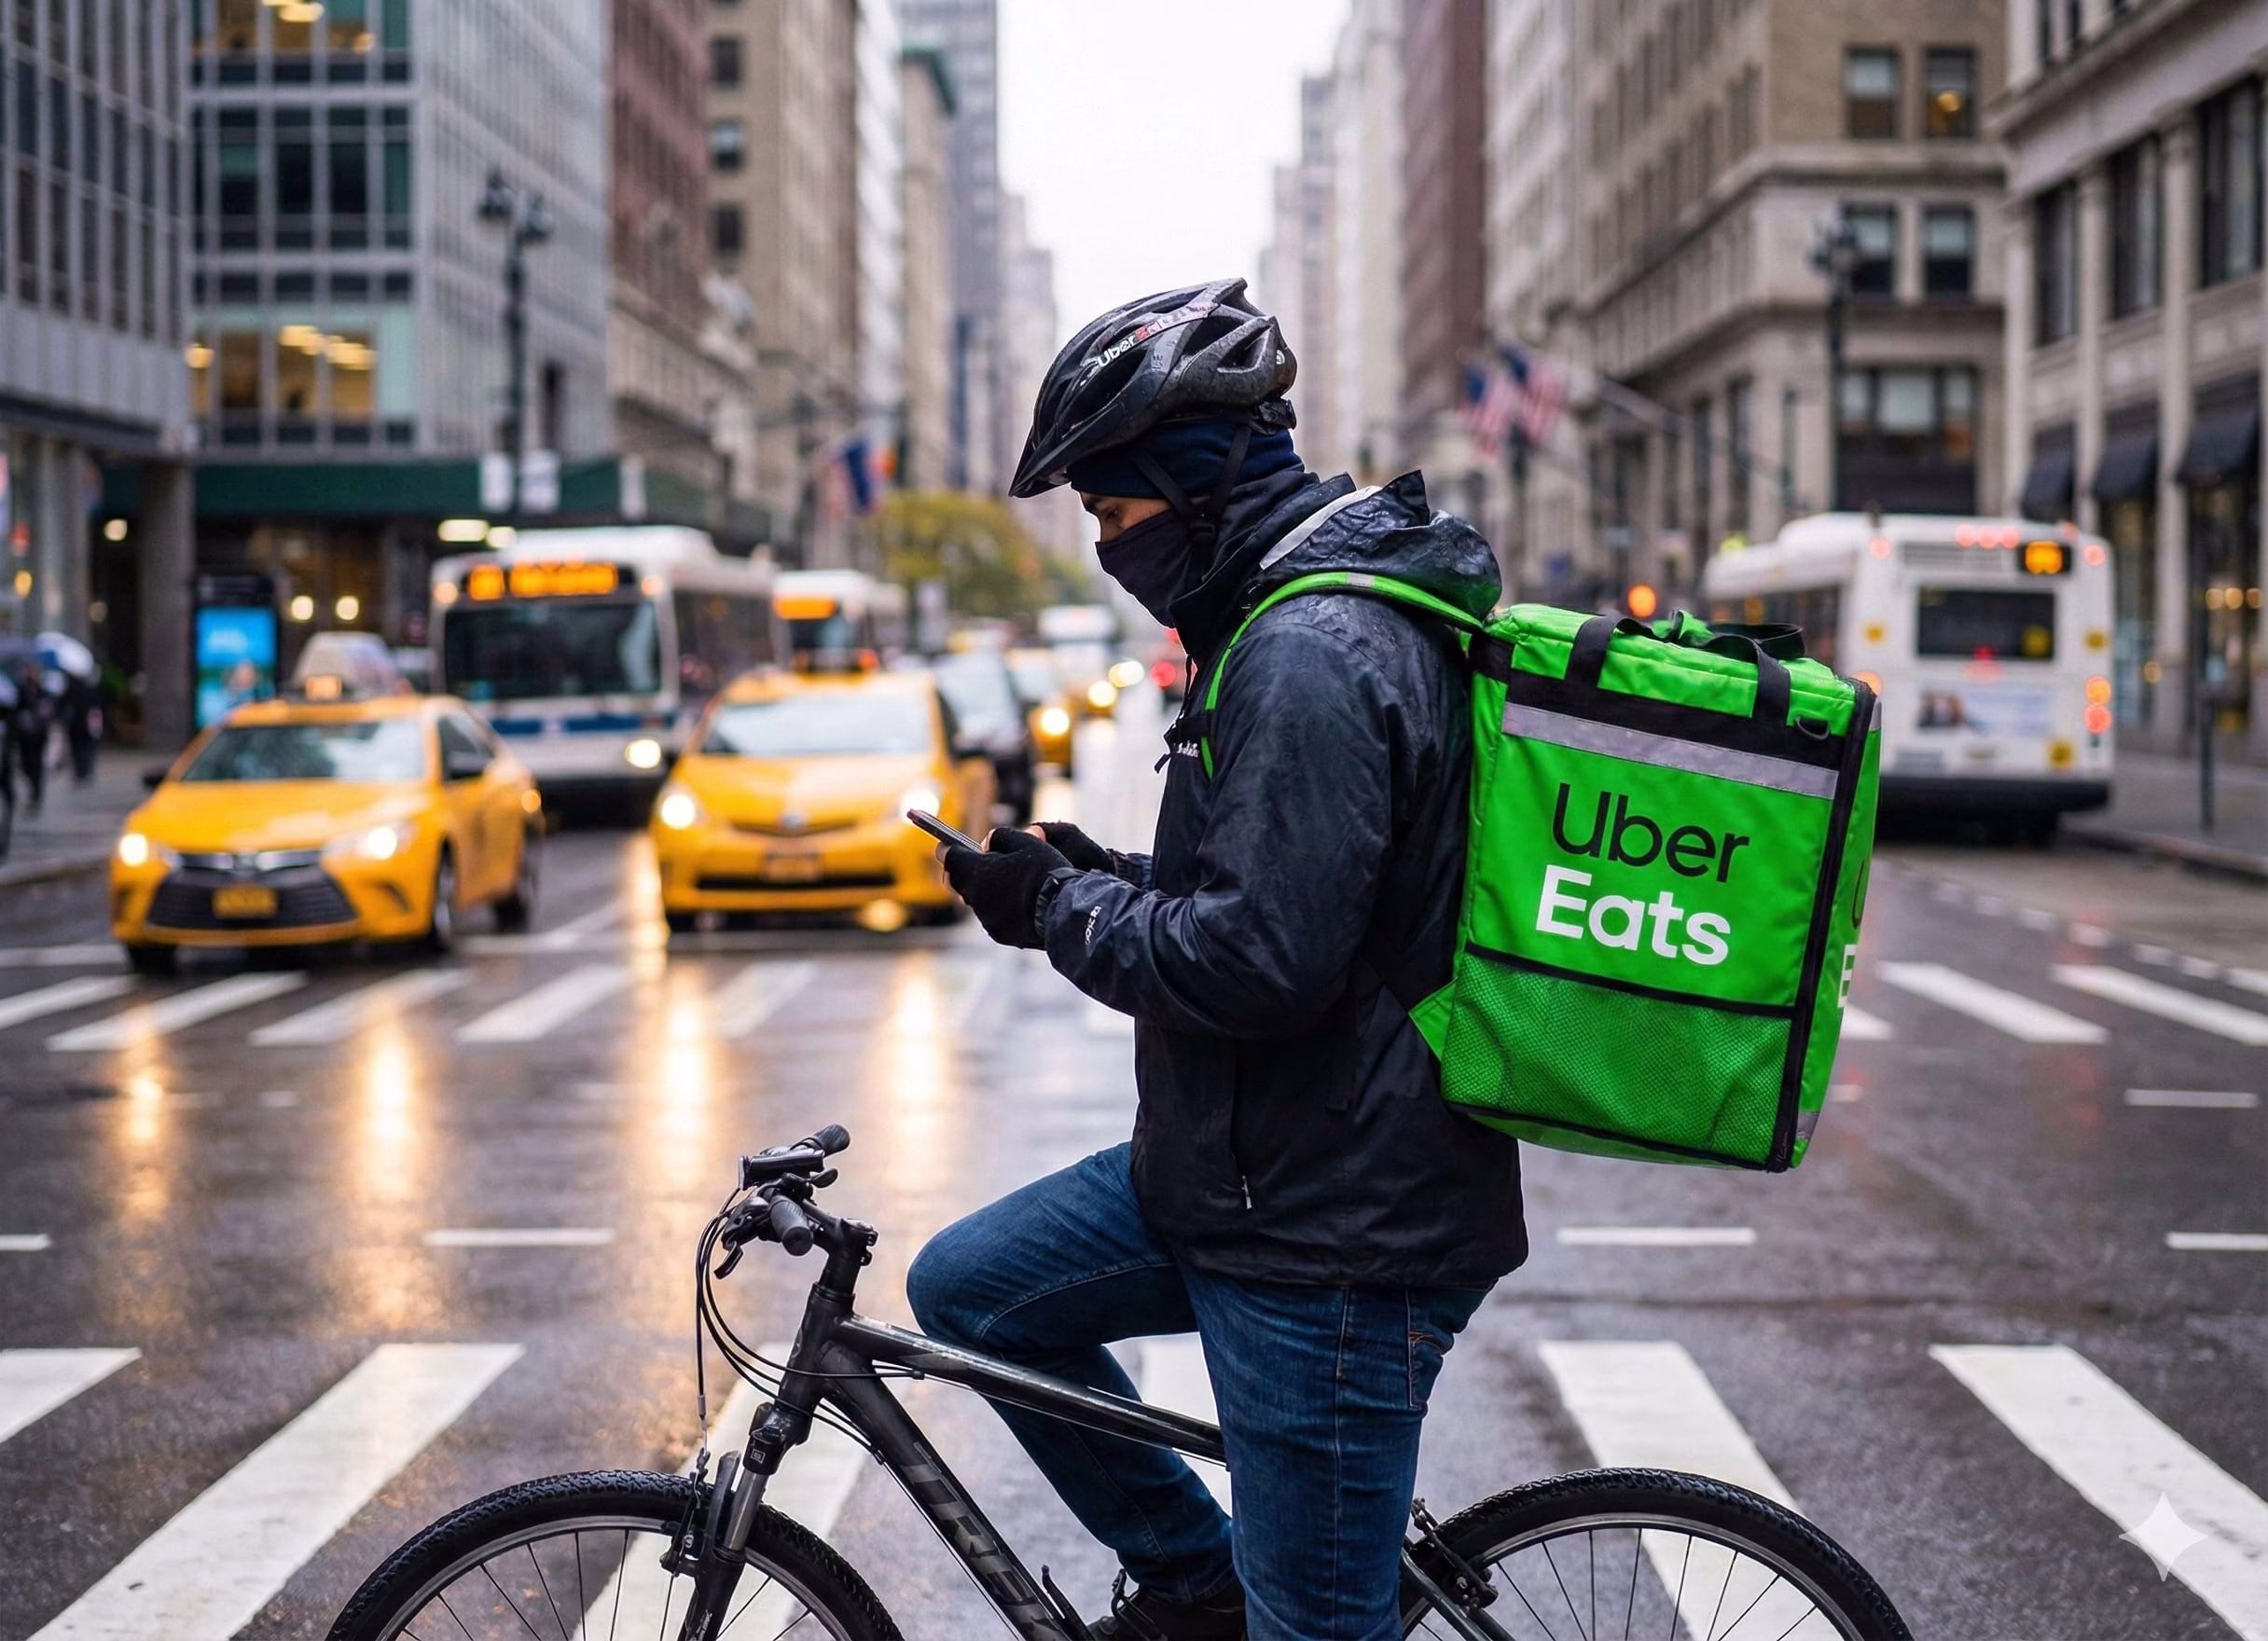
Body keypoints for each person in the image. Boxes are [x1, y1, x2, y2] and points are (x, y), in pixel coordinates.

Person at [910, 280, 1528, 1641]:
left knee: (1315, 1626)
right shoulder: (1284, 619)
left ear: (1197, 486)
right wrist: (1092, 877)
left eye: (1118, 517)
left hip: (1332, 1235)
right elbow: (1300, 903)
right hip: (1253, 1174)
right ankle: (1195, 1580)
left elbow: (1259, 963)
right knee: (972, 1293)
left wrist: (1051, 916)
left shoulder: (1309, 647)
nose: (1113, 553)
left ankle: (1240, 1600)